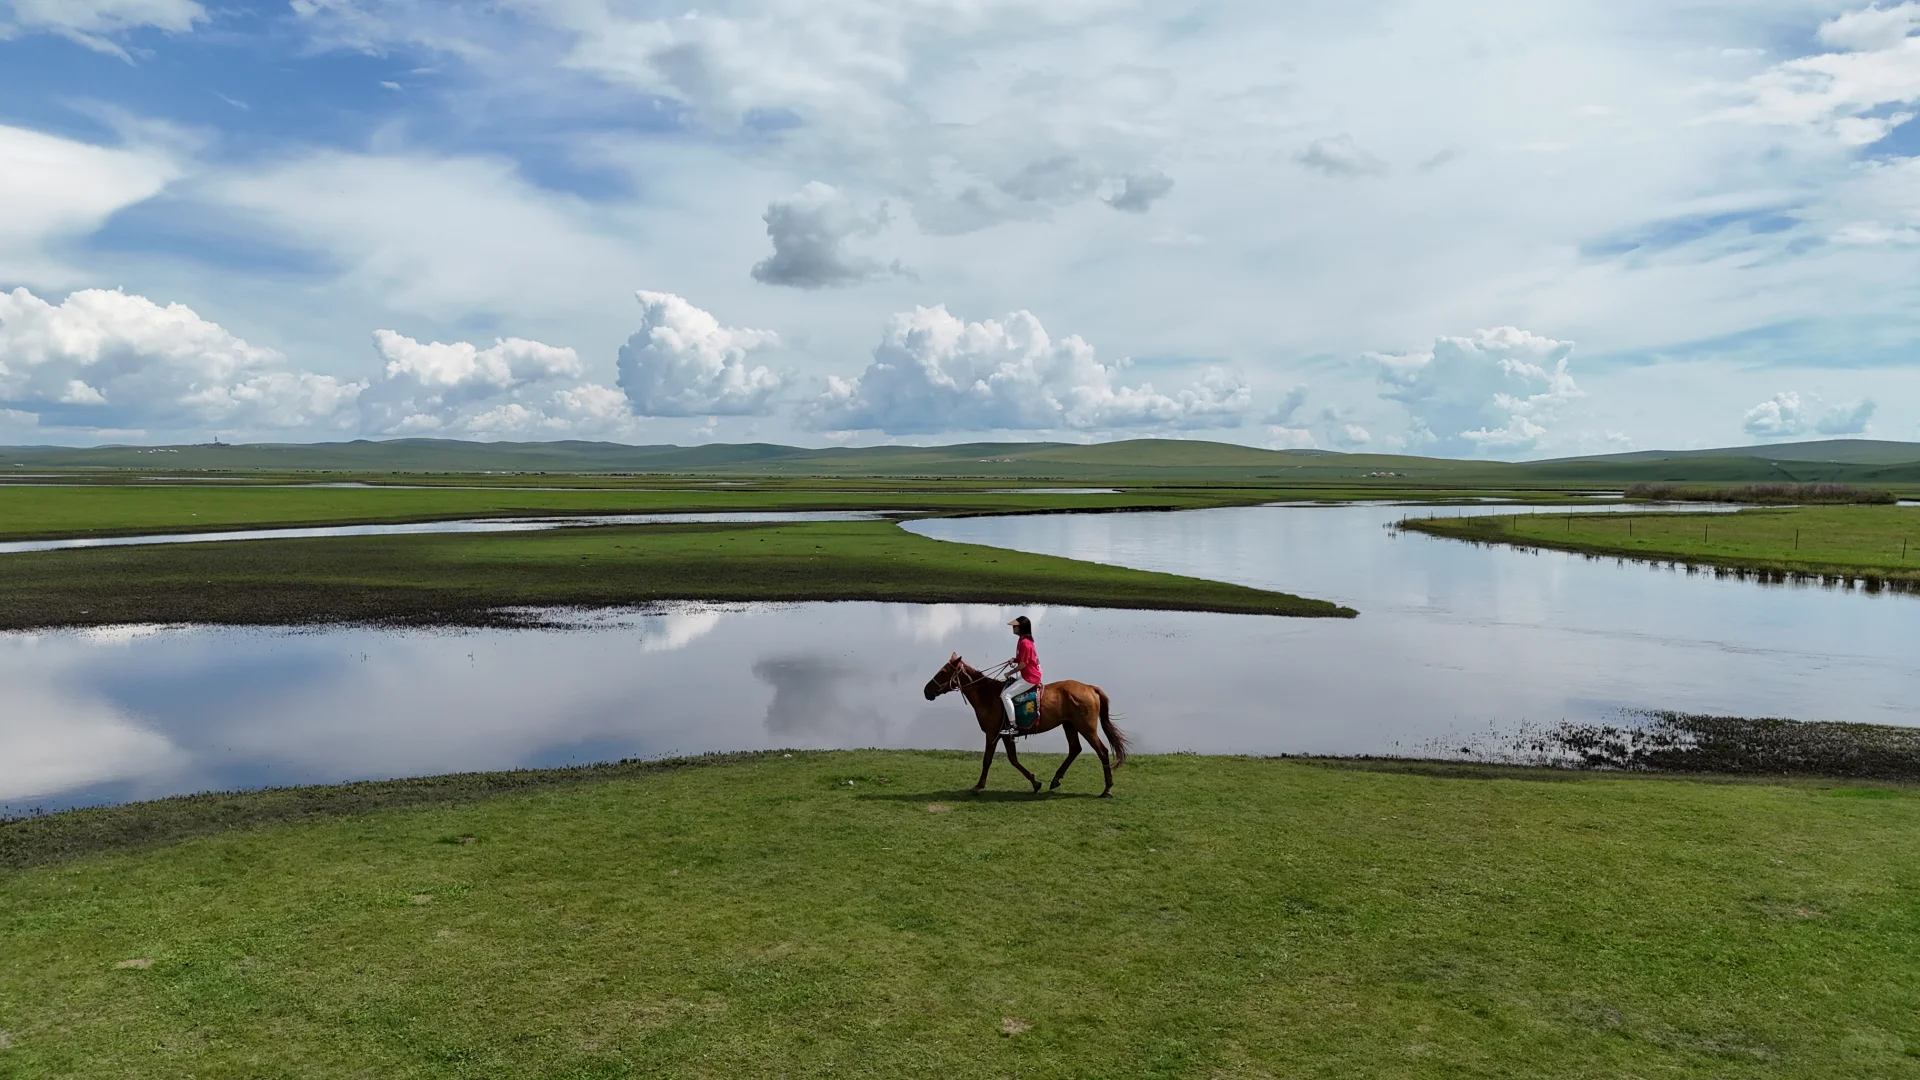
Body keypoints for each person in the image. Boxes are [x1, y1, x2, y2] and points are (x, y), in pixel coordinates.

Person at [998, 615, 1043, 736]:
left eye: (1015, 626)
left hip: (1030, 677)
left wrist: (1009, 673)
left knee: (1005, 695)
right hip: (1029, 673)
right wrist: (1014, 659)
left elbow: (1023, 664)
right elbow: (1022, 659)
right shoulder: (1022, 641)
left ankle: (1013, 726)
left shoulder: (1024, 643)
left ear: (1021, 627)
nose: (1013, 628)